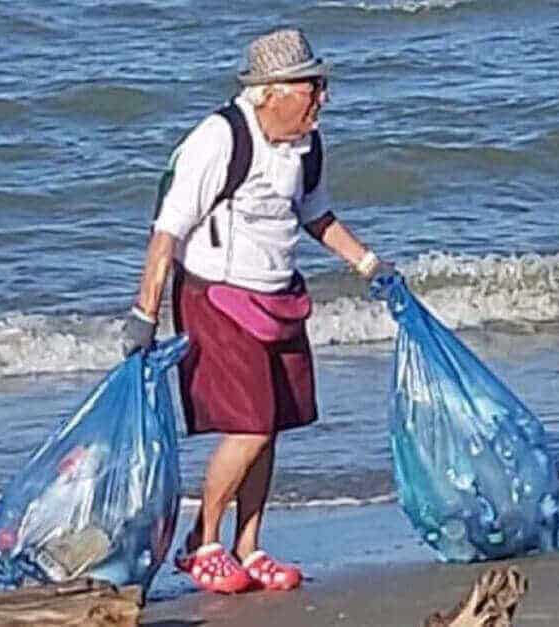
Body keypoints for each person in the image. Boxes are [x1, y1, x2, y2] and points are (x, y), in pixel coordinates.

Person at [122, 27, 393, 594]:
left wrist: (371, 265)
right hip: (216, 298)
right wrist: (143, 314)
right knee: (250, 425)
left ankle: (247, 546)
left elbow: (317, 217)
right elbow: (166, 232)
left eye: (322, 86)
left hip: (278, 296)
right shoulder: (218, 139)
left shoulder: (307, 145)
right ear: (270, 91)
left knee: (273, 428)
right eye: (310, 87)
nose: (321, 97)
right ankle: (203, 541)